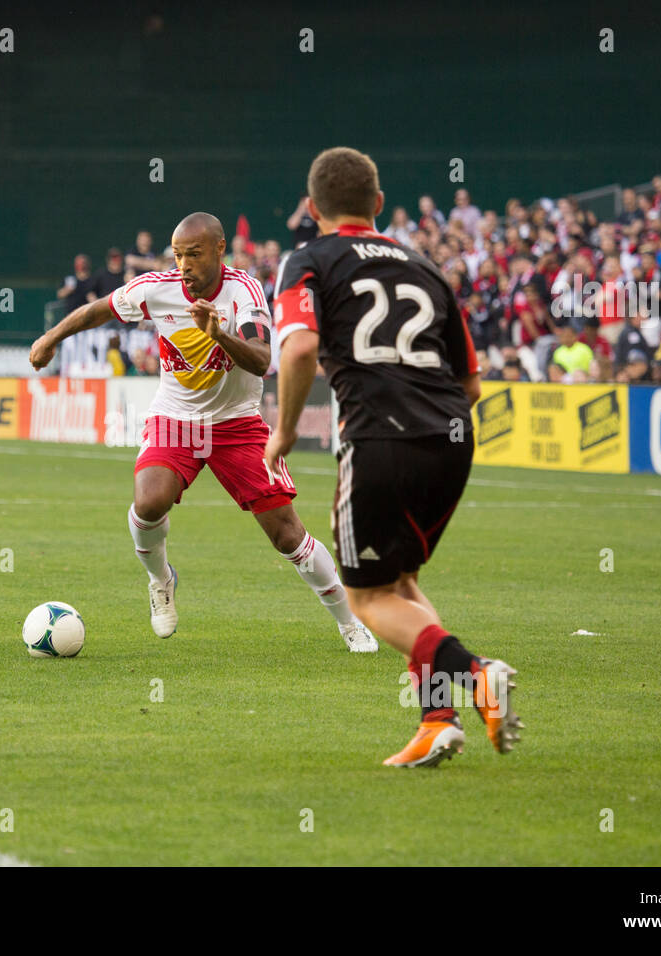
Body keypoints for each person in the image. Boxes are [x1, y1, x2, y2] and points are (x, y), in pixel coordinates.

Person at [265, 147, 520, 769]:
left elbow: (298, 350)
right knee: (400, 583)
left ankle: (478, 674)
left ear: (311, 208)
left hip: (379, 437)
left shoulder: (309, 260)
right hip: (452, 439)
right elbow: (472, 383)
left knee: (367, 599)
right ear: (378, 205)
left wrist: (286, 431)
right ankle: (439, 720)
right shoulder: (424, 266)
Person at [30, 211, 378, 653]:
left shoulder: (244, 292)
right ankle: (161, 580)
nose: (184, 265)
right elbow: (97, 310)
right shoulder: (157, 289)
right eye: (177, 255)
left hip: (238, 423)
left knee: (287, 535)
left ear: (218, 249)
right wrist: (50, 338)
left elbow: (260, 358)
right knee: (148, 501)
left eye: (193, 255)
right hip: (176, 419)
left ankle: (349, 622)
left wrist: (218, 335)